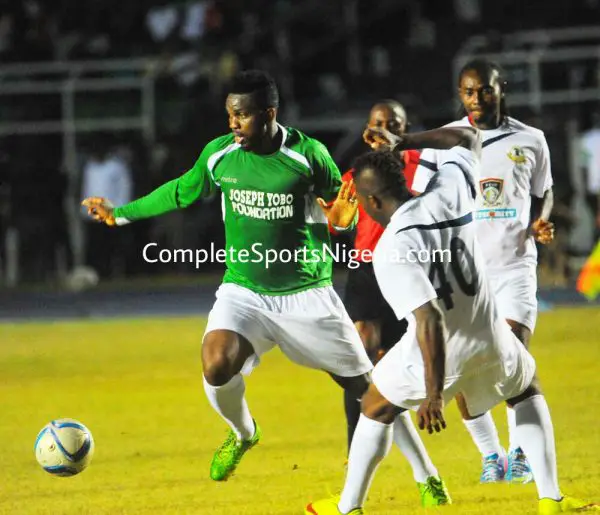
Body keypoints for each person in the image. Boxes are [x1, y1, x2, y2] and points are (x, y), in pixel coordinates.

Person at [306, 125, 599, 515]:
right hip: (492, 337)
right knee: (526, 389)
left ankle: (348, 507)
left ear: (371, 200)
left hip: (439, 356)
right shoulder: (451, 190)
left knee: (374, 403)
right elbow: (468, 139)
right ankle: (551, 499)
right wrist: (405, 141)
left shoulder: (392, 247)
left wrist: (433, 394)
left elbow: (428, 320)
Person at [411, 59, 555, 483]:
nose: (477, 99)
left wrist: (541, 220)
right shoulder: (443, 141)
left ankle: (521, 453)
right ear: (460, 94)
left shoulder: (531, 139)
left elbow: (544, 191)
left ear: (501, 88)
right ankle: (493, 456)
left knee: (513, 356)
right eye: (469, 92)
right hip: (463, 273)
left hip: (513, 265)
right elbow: (417, 199)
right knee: (466, 364)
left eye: (485, 90)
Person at [336, 100, 449, 506]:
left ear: (406, 128)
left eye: (393, 124)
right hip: (367, 270)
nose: (385, 130)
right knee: (361, 363)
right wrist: (334, 217)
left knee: (388, 380)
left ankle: (427, 474)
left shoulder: (423, 166)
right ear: (367, 130)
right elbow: (338, 221)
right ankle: (357, 455)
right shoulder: (355, 174)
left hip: (407, 271)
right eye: (378, 124)